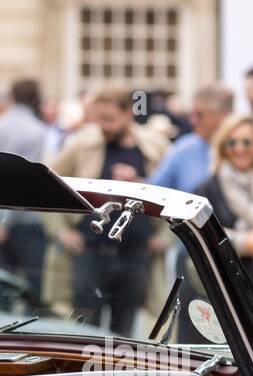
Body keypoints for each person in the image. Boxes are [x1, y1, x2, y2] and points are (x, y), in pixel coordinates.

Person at [49, 85, 169, 337]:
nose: (104, 126)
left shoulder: (153, 147)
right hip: (90, 250)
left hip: (136, 252)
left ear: (129, 114)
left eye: (110, 119)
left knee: (124, 329)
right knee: (85, 326)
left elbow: (174, 192)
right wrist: (60, 231)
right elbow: (49, 182)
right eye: (99, 119)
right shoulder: (81, 144)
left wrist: (163, 237)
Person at [0, 78, 49, 305]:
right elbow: (26, 180)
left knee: (2, 283)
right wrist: (5, 222)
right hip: (27, 218)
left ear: (13, 96)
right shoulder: (37, 131)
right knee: (33, 287)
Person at [195, 114, 253, 309]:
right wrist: (243, 242)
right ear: (224, 147)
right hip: (228, 292)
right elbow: (199, 238)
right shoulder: (206, 189)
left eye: (247, 142)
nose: (240, 149)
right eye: (232, 142)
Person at [152, 83, 234, 194]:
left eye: (200, 114)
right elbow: (154, 188)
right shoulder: (184, 149)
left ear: (223, 115)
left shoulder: (242, 148)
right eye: (192, 114)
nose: (193, 120)